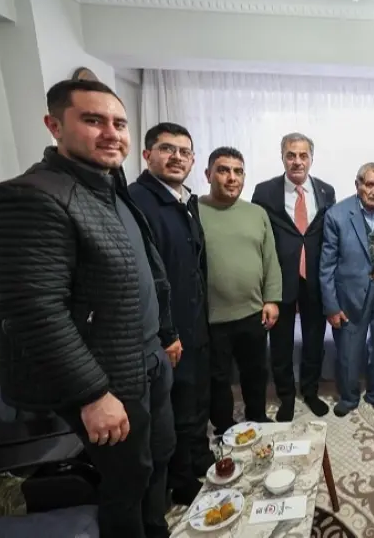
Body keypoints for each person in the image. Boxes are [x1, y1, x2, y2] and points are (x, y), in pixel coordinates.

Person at [0, 79, 178, 538]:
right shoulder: (30, 196)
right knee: (126, 480)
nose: (111, 133)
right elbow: (32, 312)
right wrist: (91, 395)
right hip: (108, 376)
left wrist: (165, 333)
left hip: (147, 358)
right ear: (54, 126)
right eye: (93, 120)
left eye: (119, 123)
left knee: (158, 456)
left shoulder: (109, 188)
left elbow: (147, 271)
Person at [128, 122, 213, 505]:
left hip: (194, 322)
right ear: (147, 155)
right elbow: (145, 277)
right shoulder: (137, 202)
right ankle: (182, 480)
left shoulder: (184, 200)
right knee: (176, 407)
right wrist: (166, 333)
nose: (177, 157)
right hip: (168, 332)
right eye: (167, 149)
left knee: (196, 398)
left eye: (184, 151)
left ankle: (199, 459)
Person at [252, 133, 336, 420]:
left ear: (311, 158)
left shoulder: (326, 191)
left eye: (303, 155)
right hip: (279, 279)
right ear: (282, 157)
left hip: (315, 280)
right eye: (291, 155)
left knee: (314, 341)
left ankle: (310, 391)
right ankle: (286, 397)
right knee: (280, 345)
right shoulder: (265, 192)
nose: (297, 161)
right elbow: (259, 238)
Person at [199, 147, 282, 433]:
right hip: (211, 317)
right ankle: (224, 425)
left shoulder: (256, 213)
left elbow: (270, 258)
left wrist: (272, 299)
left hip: (252, 311)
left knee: (256, 372)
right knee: (218, 378)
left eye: (238, 171)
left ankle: (257, 417)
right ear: (208, 174)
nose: (232, 177)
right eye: (223, 170)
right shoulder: (193, 211)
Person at [320, 163, 374, 417]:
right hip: (349, 295)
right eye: (370, 184)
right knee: (349, 350)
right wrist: (331, 306)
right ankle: (348, 397)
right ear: (358, 185)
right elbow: (326, 265)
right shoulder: (337, 214)